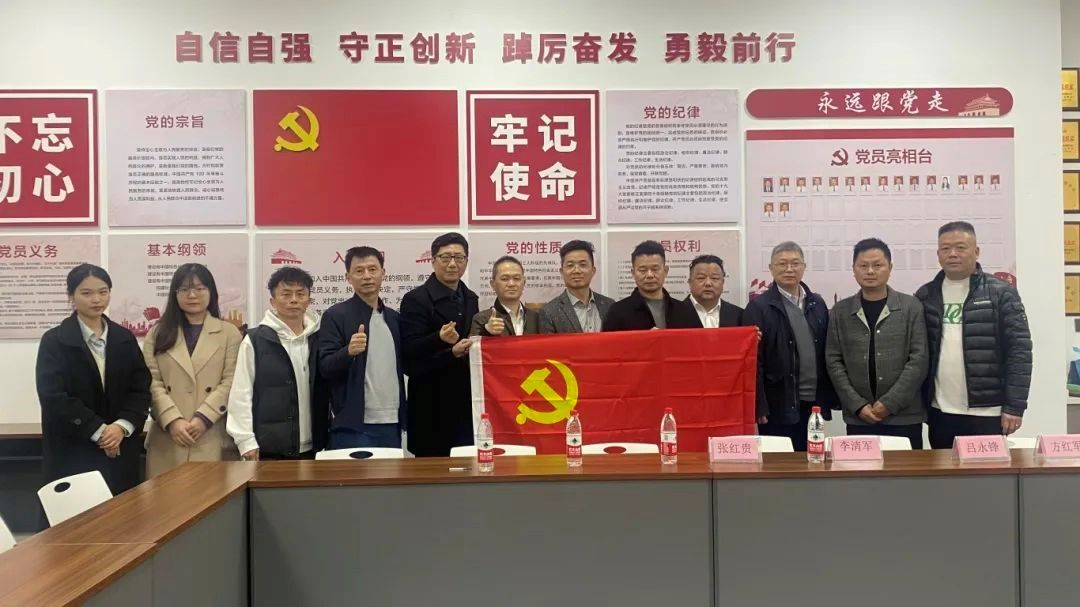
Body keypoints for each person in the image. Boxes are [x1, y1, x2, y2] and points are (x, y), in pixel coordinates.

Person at [36, 264, 150, 496]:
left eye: (103, 291)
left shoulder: (124, 338)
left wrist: (121, 427)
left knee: (122, 512)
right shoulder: (54, 341)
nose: (96, 299)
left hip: (120, 447)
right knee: (77, 514)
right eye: (86, 293)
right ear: (71, 296)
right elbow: (53, 396)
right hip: (73, 449)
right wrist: (99, 431)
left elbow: (140, 389)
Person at [915, 221, 1031, 448]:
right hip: (940, 411)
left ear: (976, 251)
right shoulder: (926, 295)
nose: (953, 254)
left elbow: (1020, 352)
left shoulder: (1001, 293)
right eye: (945, 248)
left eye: (960, 247)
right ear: (938, 255)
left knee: (985, 471)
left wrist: (1014, 407)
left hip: (988, 412)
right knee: (943, 470)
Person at [825, 239, 928, 449]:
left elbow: (919, 359)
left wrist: (890, 403)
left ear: (890, 268)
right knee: (861, 469)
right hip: (859, 418)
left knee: (907, 470)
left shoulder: (911, 307)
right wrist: (857, 405)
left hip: (904, 416)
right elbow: (834, 361)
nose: (870, 271)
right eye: (863, 265)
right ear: (854, 269)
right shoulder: (841, 311)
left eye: (878, 265)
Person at [143, 264, 241, 478]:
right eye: (185, 289)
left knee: (211, 496)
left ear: (211, 292)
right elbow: (151, 381)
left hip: (211, 433)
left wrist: (203, 418)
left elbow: (231, 381)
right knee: (166, 497)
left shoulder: (229, 333)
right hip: (168, 437)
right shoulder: (157, 333)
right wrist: (172, 420)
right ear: (175, 294)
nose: (192, 295)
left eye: (200, 288)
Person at [743, 242, 838, 451]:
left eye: (795, 263)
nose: (789, 269)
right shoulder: (759, 307)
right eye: (782, 264)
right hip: (778, 403)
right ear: (771, 268)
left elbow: (828, 352)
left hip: (814, 402)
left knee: (813, 458)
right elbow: (753, 361)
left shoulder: (817, 303)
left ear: (804, 267)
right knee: (780, 462)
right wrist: (759, 404)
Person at [228, 267, 328, 460]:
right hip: (270, 447)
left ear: (309, 300)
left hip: (315, 447)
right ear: (273, 301)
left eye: (300, 294)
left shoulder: (319, 338)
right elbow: (241, 393)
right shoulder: (255, 340)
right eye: (286, 294)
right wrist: (245, 440)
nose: (294, 300)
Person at [316, 247, 407, 449]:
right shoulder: (335, 315)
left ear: (383, 273)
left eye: (372, 269)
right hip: (353, 425)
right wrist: (348, 352)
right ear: (348, 277)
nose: (367, 276)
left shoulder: (394, 318)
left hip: (391, 421)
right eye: (359, 271)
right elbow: (325, 366)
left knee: (391, 471)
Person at [400, 233, 480, 456]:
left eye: (459, 257)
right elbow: (409, 352)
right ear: (433, 260)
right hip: (430, 403)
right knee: (430, 471)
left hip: (466, 402)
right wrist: (440, 341)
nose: (452, 264)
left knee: (467, 465)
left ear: (466, 261)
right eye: (445, 257)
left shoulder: (471, 298)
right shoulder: (415, 299)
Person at [601, 240, 698, 332]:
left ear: (665, 271)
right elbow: (609, 343)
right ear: (633, 273)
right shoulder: (617, 312)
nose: (649, 275)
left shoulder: (684, 311)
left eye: (655, 269)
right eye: (643, 270)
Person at [539, 240, 614, 334]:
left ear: (593, 270)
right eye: (570, 265)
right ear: (562, 272)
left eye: (583, 265)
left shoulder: (609, 305)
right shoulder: (549, 312)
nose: (577, 270)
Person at [470, 256, 540, 337]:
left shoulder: (535, 318)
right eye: (504, 279)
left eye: (516, 278)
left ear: (524, 283)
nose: (511, 284)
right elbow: (473, 344)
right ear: (493, 284)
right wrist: (486, 332)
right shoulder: (482, 319)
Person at [683, 254, 744, 328]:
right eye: (701, 278)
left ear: (723, 282)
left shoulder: (739, 315)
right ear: (690, 282)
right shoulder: (675, 313)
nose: (708, 283)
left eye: (714, 278)